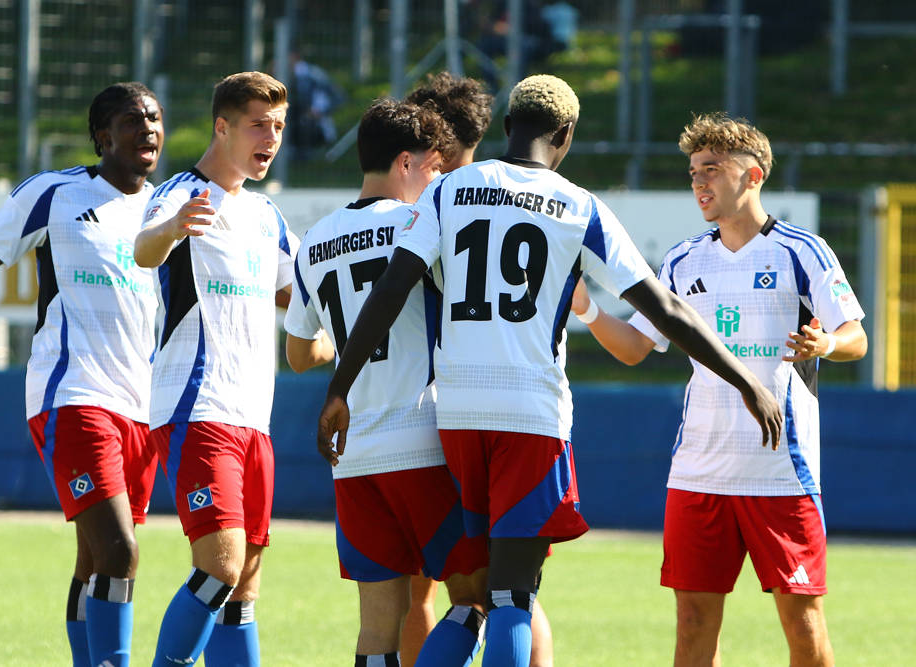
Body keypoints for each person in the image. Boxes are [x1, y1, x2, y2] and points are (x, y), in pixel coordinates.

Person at [316, 74, 782, 667]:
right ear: (564, 136)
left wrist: (339, 388)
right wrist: (744, 379)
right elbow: (664, 309)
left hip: (457, 418)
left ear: (509, 126)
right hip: (530, 414)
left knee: (473, 597)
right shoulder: (580, 206)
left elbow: (391, 287)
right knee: (512, 594)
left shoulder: (449, 190)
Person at [570, 112, 867, 667]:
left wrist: (826, 344)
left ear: (753, 176)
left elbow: (857, 338)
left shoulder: (803, 251)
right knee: (692, 625)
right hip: (698, 472)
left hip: (781, 472)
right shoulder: (684, 259)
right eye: (692, 172)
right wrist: (586, 307)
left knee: (803, 625)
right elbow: (635, 348)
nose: (699, 182)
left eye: (712, 169)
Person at [0, 82, 164, 666]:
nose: (149, 129)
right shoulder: (55, 193)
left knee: (94, 561)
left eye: (155, 118)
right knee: (120, 554)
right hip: (73, 394)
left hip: (143, 410)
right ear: (102, 136)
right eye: (133, 120)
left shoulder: (169, 213)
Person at [284, 97, 490, 667]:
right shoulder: (420, 225)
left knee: (380, 620)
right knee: (478, 599)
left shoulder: (316, 240)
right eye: (435, 167)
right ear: (407, 162)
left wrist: (348, 346)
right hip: (423, 439)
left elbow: (299, 354)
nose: (440, 180)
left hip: (354, 453)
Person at [134, 71, 298, 666]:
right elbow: (143, 247)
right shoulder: (184, 192)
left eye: (279, 126)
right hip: (199, 407)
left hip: (256, 418)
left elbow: (302, 292)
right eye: (259, 124)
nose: (271, 137)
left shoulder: (266, 216)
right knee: (221, 566)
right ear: (222, 126)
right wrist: (173, 228)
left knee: (244, 587)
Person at [404, 71, 555, 667]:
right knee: (515, 589)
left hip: (431, 421)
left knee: (434, 592)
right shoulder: (511, 196)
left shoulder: (421, 209)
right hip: (514, 415)